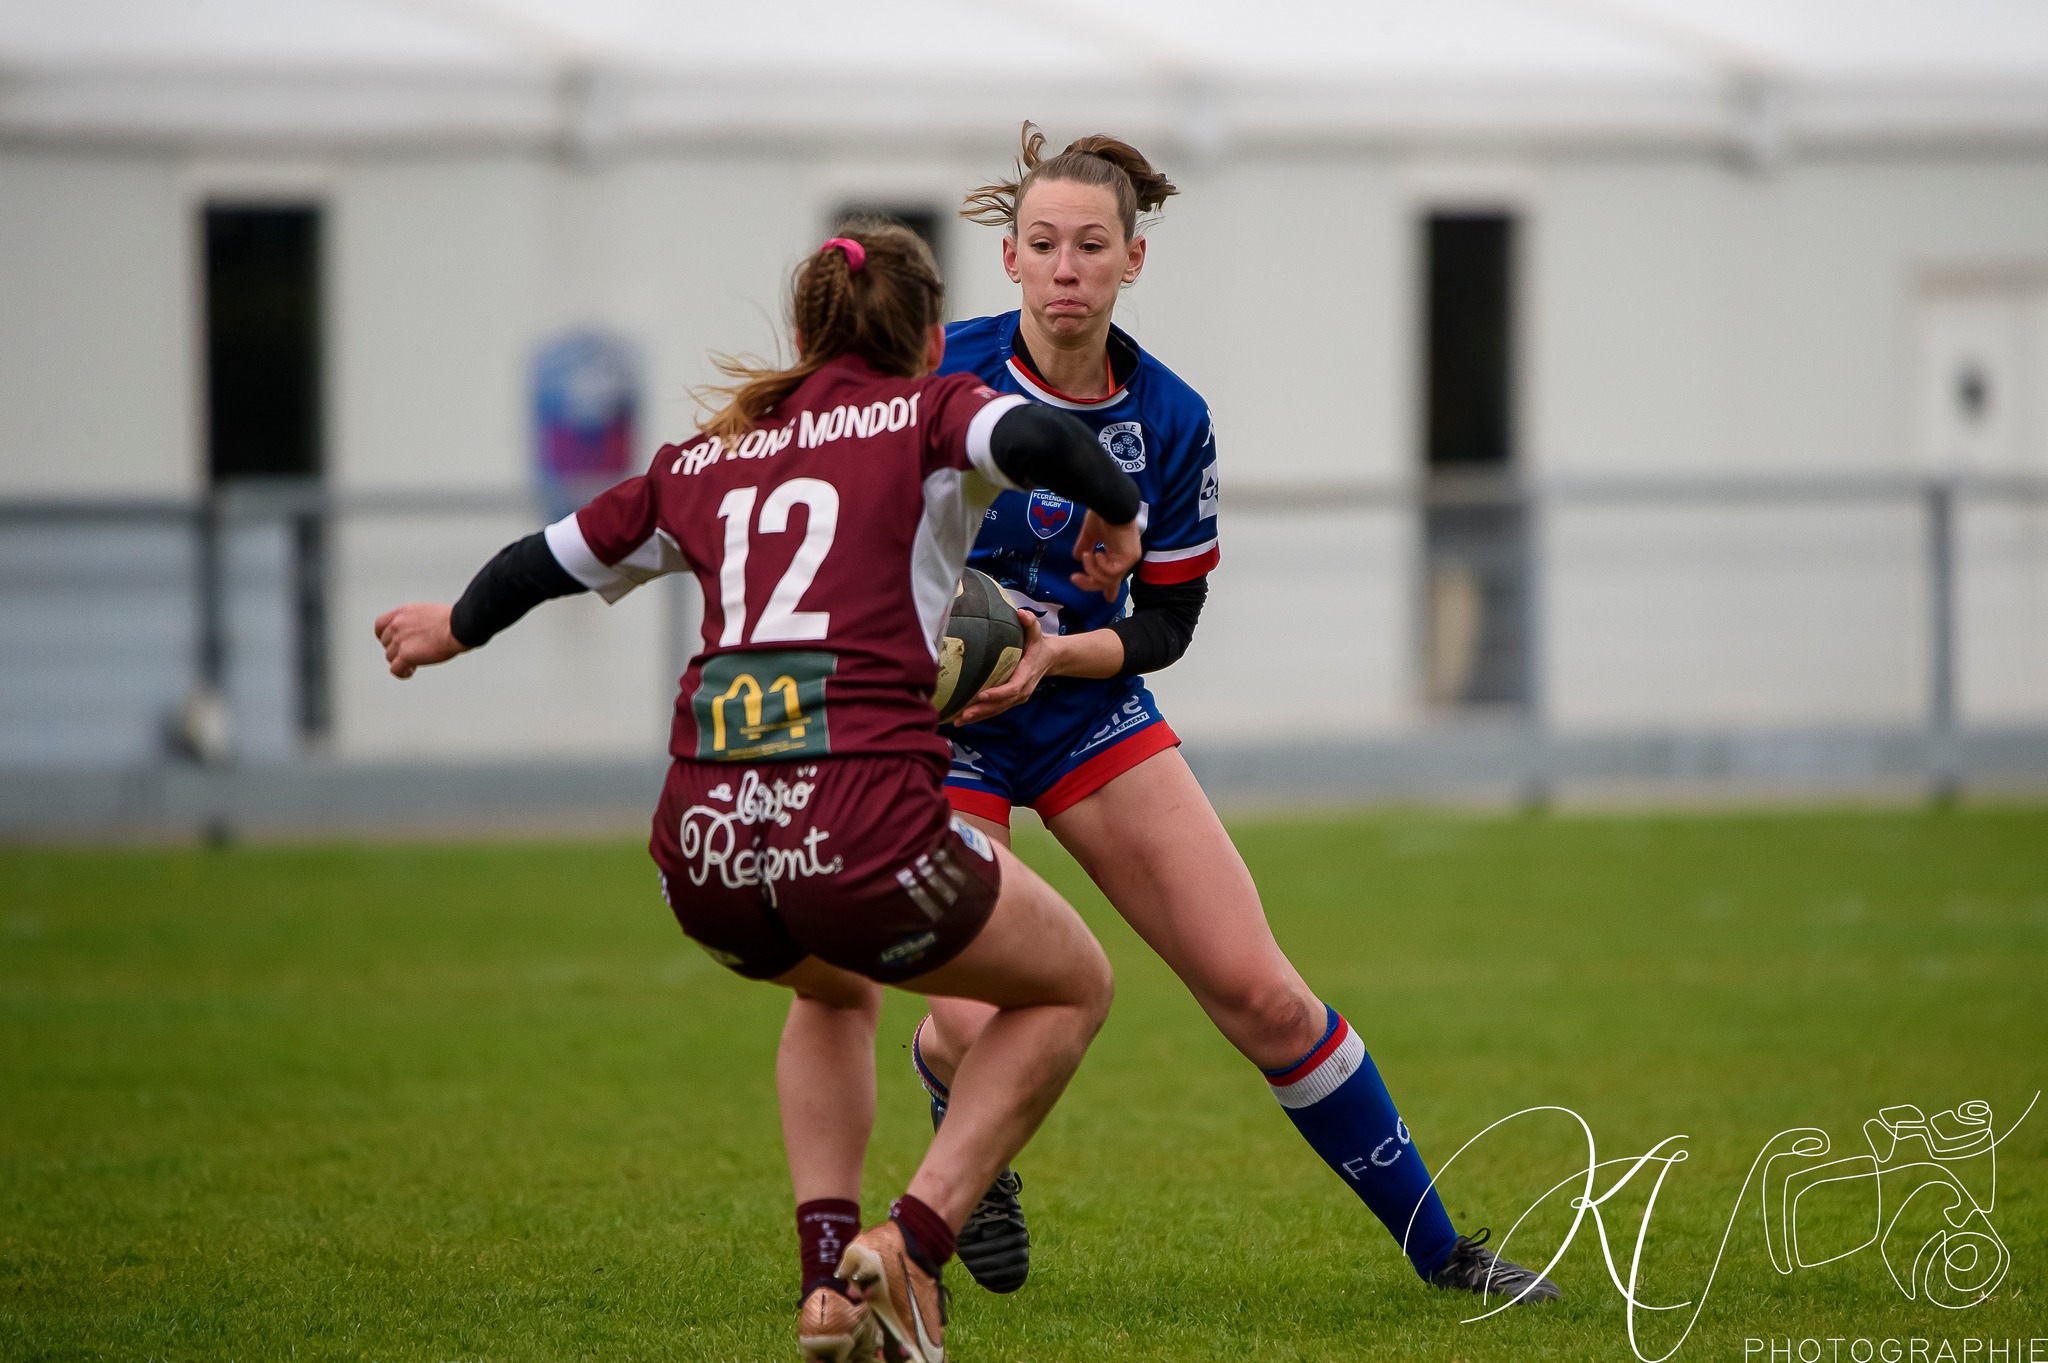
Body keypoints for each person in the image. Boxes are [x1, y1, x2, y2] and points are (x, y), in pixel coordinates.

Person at [373, 222, 1153, 1362]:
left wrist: (449, 628)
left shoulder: (703, 459)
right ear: (932, 339)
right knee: (1072, 987)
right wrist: (1117, 516)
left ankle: (827, 1289)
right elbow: (1046, 439)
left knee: (832, 992)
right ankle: (914, 1244)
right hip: (861, 831)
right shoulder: (931, 413)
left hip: (701, 852)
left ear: (799, 335)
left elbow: (544, 557)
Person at [909, 125, 1562, 1306]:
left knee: (1260, 992)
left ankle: (1447, 1254)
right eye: (1042, 244)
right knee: (968, 1016)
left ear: (1132, 261)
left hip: (1081, 707)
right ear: (1005, 259)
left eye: (1090, 246)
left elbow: (1168, 621)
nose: (1066, 267)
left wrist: (1055, 653)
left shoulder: (1169, 417)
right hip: (938, 728)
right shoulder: (935, 373)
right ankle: (961, 1143)